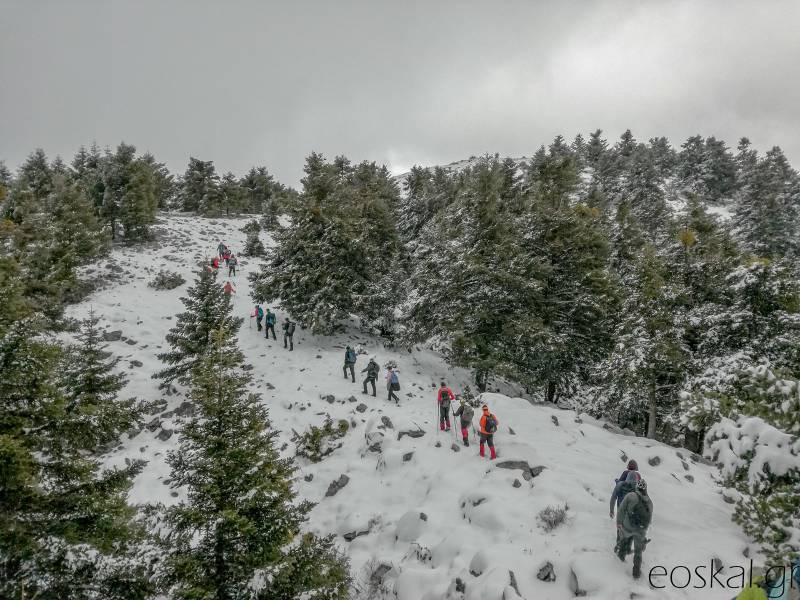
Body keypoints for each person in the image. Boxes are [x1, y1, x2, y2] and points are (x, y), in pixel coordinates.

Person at [616, 479, 653, 579]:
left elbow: (621, 510)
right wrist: (643, 533)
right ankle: (636, 572)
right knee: (638, 551)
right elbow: (649, 520)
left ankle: (620, 560)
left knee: (623, 539)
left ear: (637, 486)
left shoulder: (630, 495)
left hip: (628, 526)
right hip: (640, 530)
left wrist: (619, 523)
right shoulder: (649, 502)